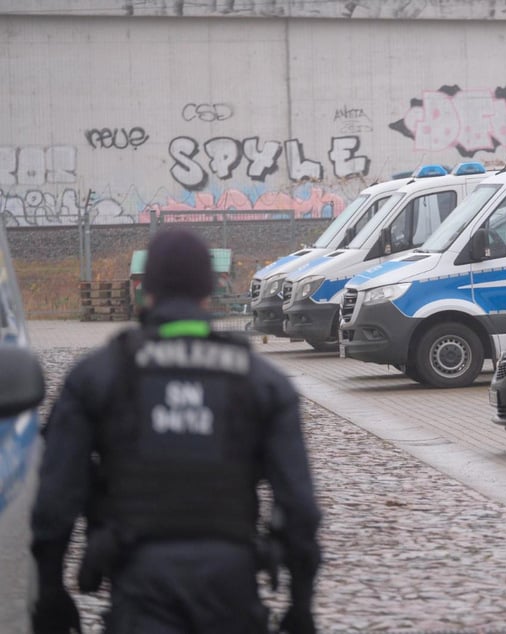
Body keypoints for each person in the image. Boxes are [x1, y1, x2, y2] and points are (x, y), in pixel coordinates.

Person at [30, 228, 322, 634]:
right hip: (232, 588)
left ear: (145, 291)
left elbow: (54, 502)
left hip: (139, 588)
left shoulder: (98, 376)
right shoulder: (262, 383)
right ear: (210, 292)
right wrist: (302, 604)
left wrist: (49, 592)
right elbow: (301, 509)